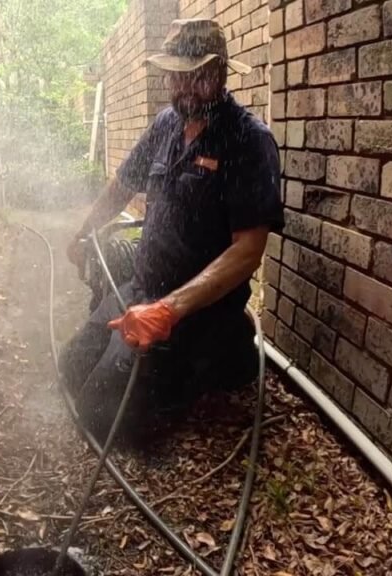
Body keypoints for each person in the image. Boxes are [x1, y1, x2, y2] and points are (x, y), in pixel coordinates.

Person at [61, 18, 285, 446]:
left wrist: (168, 311)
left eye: (195, 76)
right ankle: (187, 372)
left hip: (194, 313)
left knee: (101, 417)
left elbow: (247, 251)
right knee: (72, 365)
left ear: (219, 73)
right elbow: (123, 184)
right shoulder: (166, 123)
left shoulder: (249, 141)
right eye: (175, 77)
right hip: (141, 287)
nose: (183, 88)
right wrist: (84, 233)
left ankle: (214, 364)